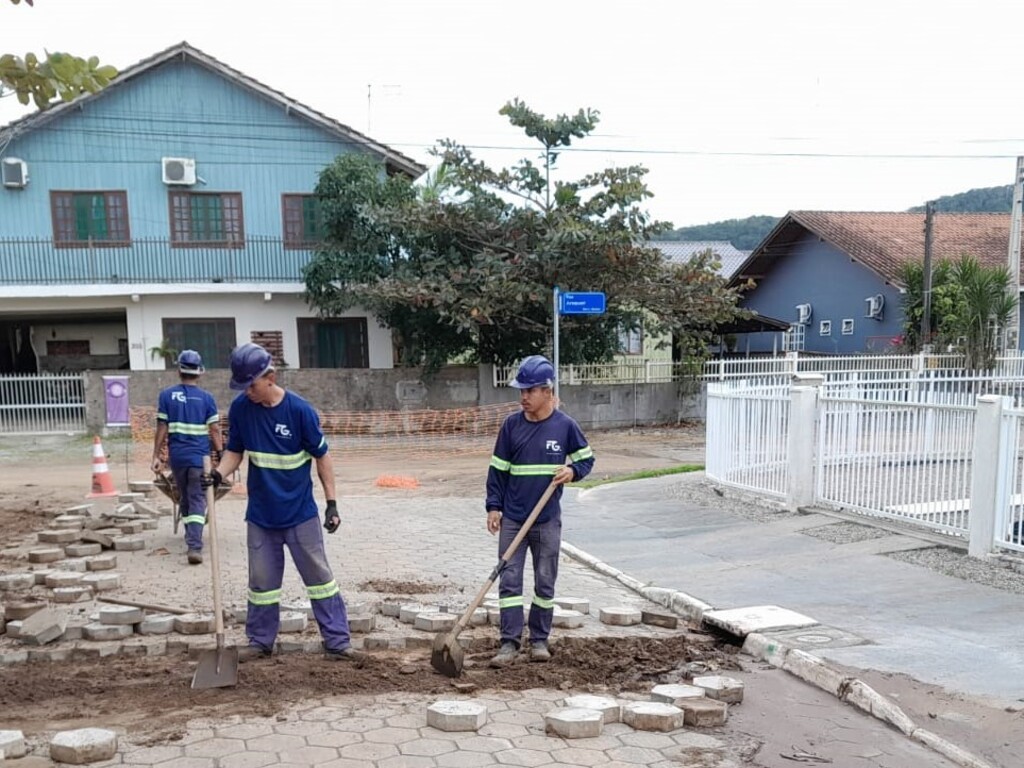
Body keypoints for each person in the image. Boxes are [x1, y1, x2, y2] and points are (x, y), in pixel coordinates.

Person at [205, 342, 357, 661]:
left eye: (252, 385)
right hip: (261, 516)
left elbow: (322, 457)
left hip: (300, 514)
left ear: (270, 377)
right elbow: (235, 451)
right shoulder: (241, 409)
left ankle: (337, 642)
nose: (248, 392)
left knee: (319, 579)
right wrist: (218, 474)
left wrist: (331, 504)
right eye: (243, 386)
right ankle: (260, 641)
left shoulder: (300, 412)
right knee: (261, 583)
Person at [485, 354, 594, 667]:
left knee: (545, 581)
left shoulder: (565, 427)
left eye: (529, 390)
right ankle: (508, 643)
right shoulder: (511, 426)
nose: (523, 396)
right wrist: (494, 506)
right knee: (509, 581)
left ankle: (539, 640)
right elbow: (497, 471)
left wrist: (572, 472)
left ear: (547, 391)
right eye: (521, 390)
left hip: (546, 520)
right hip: (513, 518)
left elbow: (587, 459)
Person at [151, 349, 223, 566]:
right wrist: (221, 455)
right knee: (198, 499)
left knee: (184, 497)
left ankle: (191, 537)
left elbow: (162, 427)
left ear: (178, 370)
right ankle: (195, 546)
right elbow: (215, 430)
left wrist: (156, 455)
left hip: (178, 458)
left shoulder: (166, 396)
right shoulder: (206, 398)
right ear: (199, 372)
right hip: (200, 459)